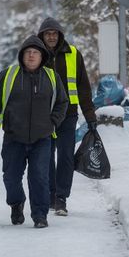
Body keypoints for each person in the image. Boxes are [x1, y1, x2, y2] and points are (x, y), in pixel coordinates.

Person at [0, 36, 68, 228]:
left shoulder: (51, 77)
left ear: (42, 56)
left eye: (35, 52)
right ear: (21, 55)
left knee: (39, 176)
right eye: (27, 52)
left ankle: (40, 215)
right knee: (11, 177)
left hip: (42, 138)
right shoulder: (9, 74)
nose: (31, 55)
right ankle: (16, 203)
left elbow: (63, 102)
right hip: (14, 136)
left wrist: (52, 122)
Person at [38, 17, 97, 216]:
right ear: (42, 36)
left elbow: (83, 87)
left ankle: (61, 198)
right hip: (44, 116)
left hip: (68, 115)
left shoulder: (73, 54)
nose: (52, 37)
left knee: (65, 157)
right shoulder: (35, 55)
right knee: (45, 156)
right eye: (48, 33)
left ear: (60, 35)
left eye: (54, 33)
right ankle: (50, 195)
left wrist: (89, 114)